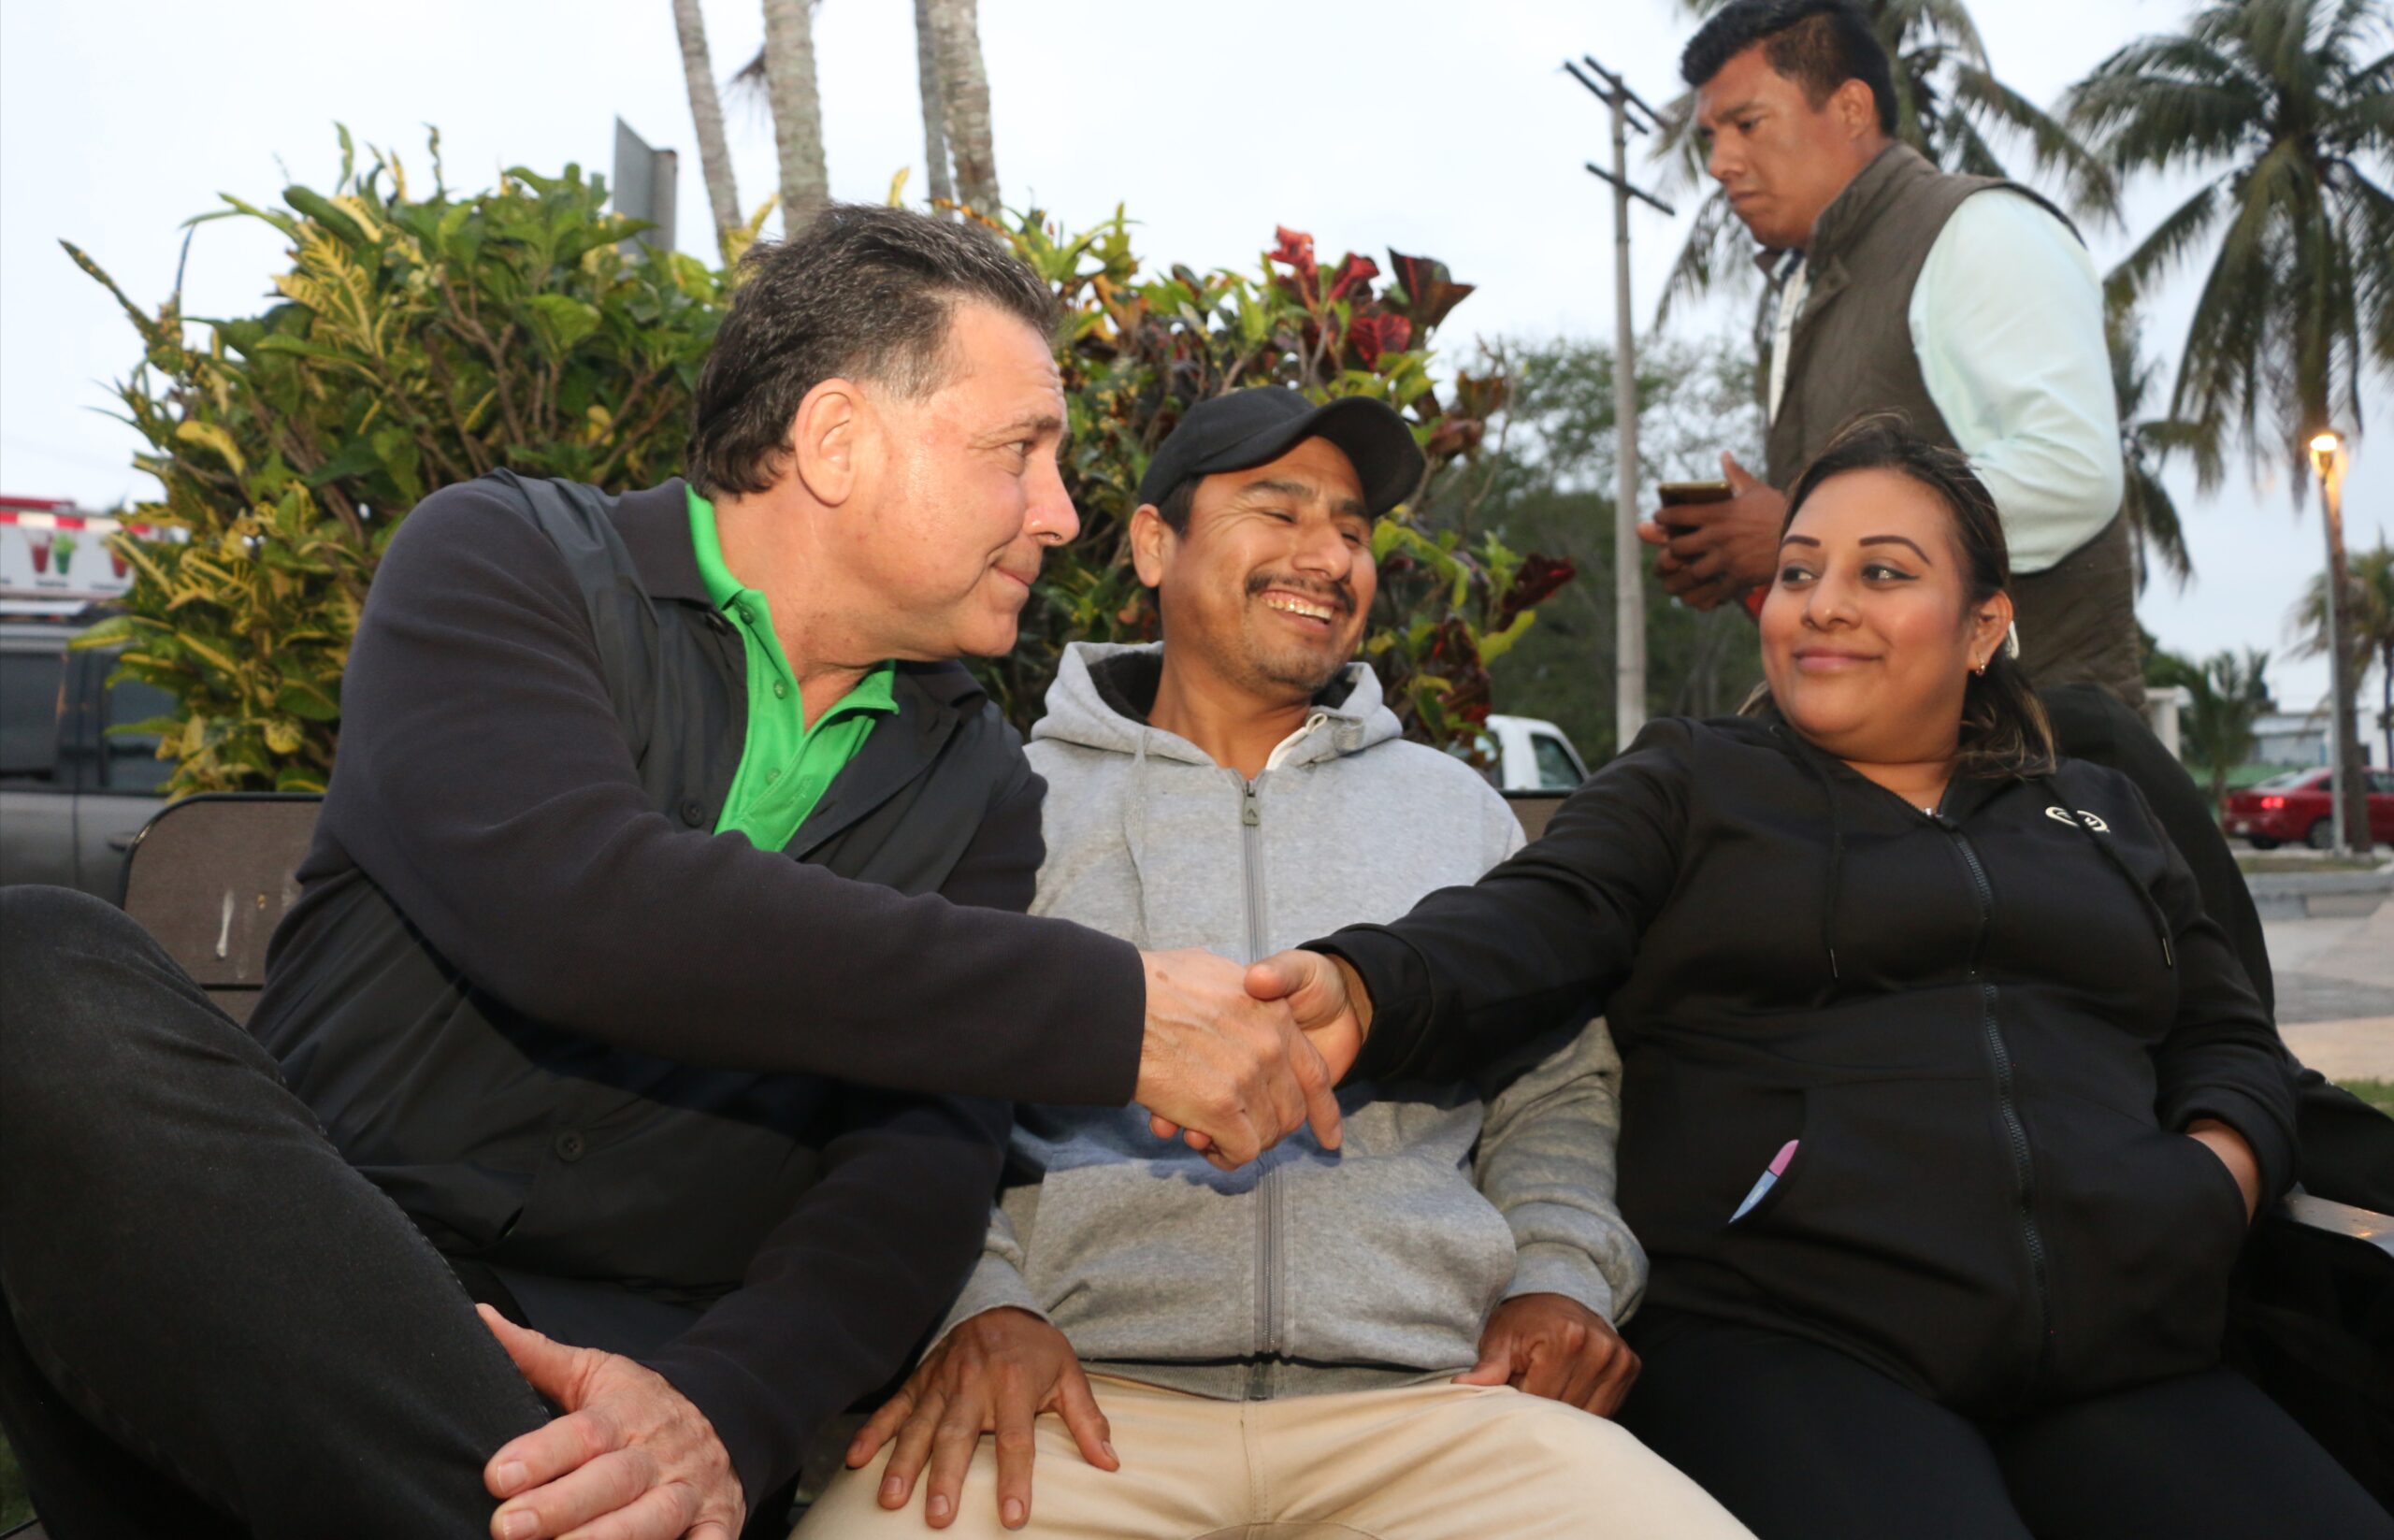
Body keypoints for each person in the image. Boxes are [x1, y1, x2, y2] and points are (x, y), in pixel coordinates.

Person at [0, 208, 1346, 1540]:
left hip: (631, 1416)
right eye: (1020, 454)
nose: (1059, 515)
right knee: (36, 973)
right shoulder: (503, 562)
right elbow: (581, 906)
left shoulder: (980, 783)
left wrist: (718, 1415)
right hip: (292, 1325)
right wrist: (1113, 1011)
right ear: (834, 439)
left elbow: (914, 1166)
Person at [1255, 419, 2392, 1539]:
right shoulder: (1690, 782)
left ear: (1984, 625)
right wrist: (1362, 986)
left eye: (1882, 573)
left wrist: (2212, 1183)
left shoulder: (2096, 807)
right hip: (1793, 1339)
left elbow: (2229, 1038)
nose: (1823, 603)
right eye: (1797, 572)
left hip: (2120, 1345)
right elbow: (1531, 920)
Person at [796, 388, 1751, 1539]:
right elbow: (895, 1078)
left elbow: (1557, 1087)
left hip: (1434, 1410)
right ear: (1154, 543)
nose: (1328, 556)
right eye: (1276, 509)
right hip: (1073, 1401)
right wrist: (975, 1306)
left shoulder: (1458, 813)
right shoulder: (1005, 799)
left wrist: (1560, 1274)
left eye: (1352, 529)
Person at [1637, 0, 2394, 1215]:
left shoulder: (1973, 233)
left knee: (2177, 1095)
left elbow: (2073, 472)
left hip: (2046, 765)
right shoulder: (1809, 294)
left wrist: (1796, 534)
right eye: (1708, 135)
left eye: (1744, 122)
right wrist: (1757, 559)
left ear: (1848, 109)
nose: (1719, 160)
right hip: (1908, 793)